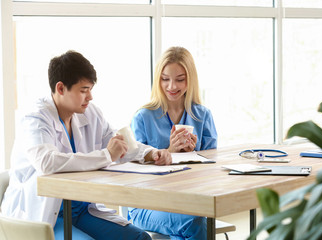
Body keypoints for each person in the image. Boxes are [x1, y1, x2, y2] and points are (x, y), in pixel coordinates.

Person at [1, 50, 172, 240]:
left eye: (90, 89)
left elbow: (117, 142)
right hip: (46, 214)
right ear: (60, 88)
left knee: (140, 238)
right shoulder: (35, 119)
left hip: (82, 211)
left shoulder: (90, 113)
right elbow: (47, 163)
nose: (90, 97)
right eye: (83, 90)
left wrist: (151, 153)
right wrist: (107, 155)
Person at [129, 46, 217, 240]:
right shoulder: (143, 117)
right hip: (147, 205)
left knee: (195, 219)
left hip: (190, 201)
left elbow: (212, 168)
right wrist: (169, 152)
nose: (172, 87)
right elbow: (132, 172)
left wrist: (194, 153)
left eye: (180, 79)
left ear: (190, 80)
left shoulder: (202, 115)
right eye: (165, 79)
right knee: (194, 222)